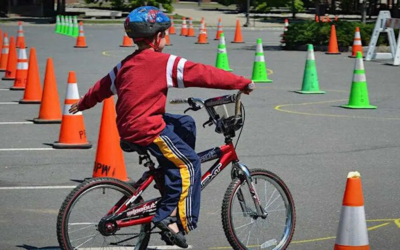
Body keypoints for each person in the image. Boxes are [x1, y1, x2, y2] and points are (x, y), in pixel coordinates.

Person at [69, 6, 254, 248]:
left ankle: (172, 177)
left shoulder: (124, 65)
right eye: (164, 34)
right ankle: (179, 223)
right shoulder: (164, 63)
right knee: (190, 163)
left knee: (185, 123)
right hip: (148, 129)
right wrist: (241, 83)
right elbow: (203, 73)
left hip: (129, 127)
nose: (167, 39)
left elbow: (102, 87)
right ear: (156, 38)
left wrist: (83, 103)